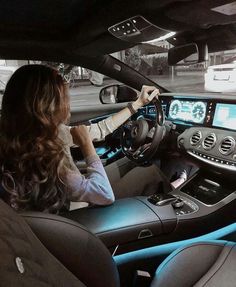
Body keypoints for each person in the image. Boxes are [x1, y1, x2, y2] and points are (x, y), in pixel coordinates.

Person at [0, 64, 160, 213]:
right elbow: (104, 194)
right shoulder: (45, 158)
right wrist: (86, 146)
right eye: (64, 97)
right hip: (80, 214)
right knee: (150, 173)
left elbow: (100, 129)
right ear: (49, 105)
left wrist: (137, 104)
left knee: (133, 162)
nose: (68, 104)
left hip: (74, 196)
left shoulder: (37, 136)